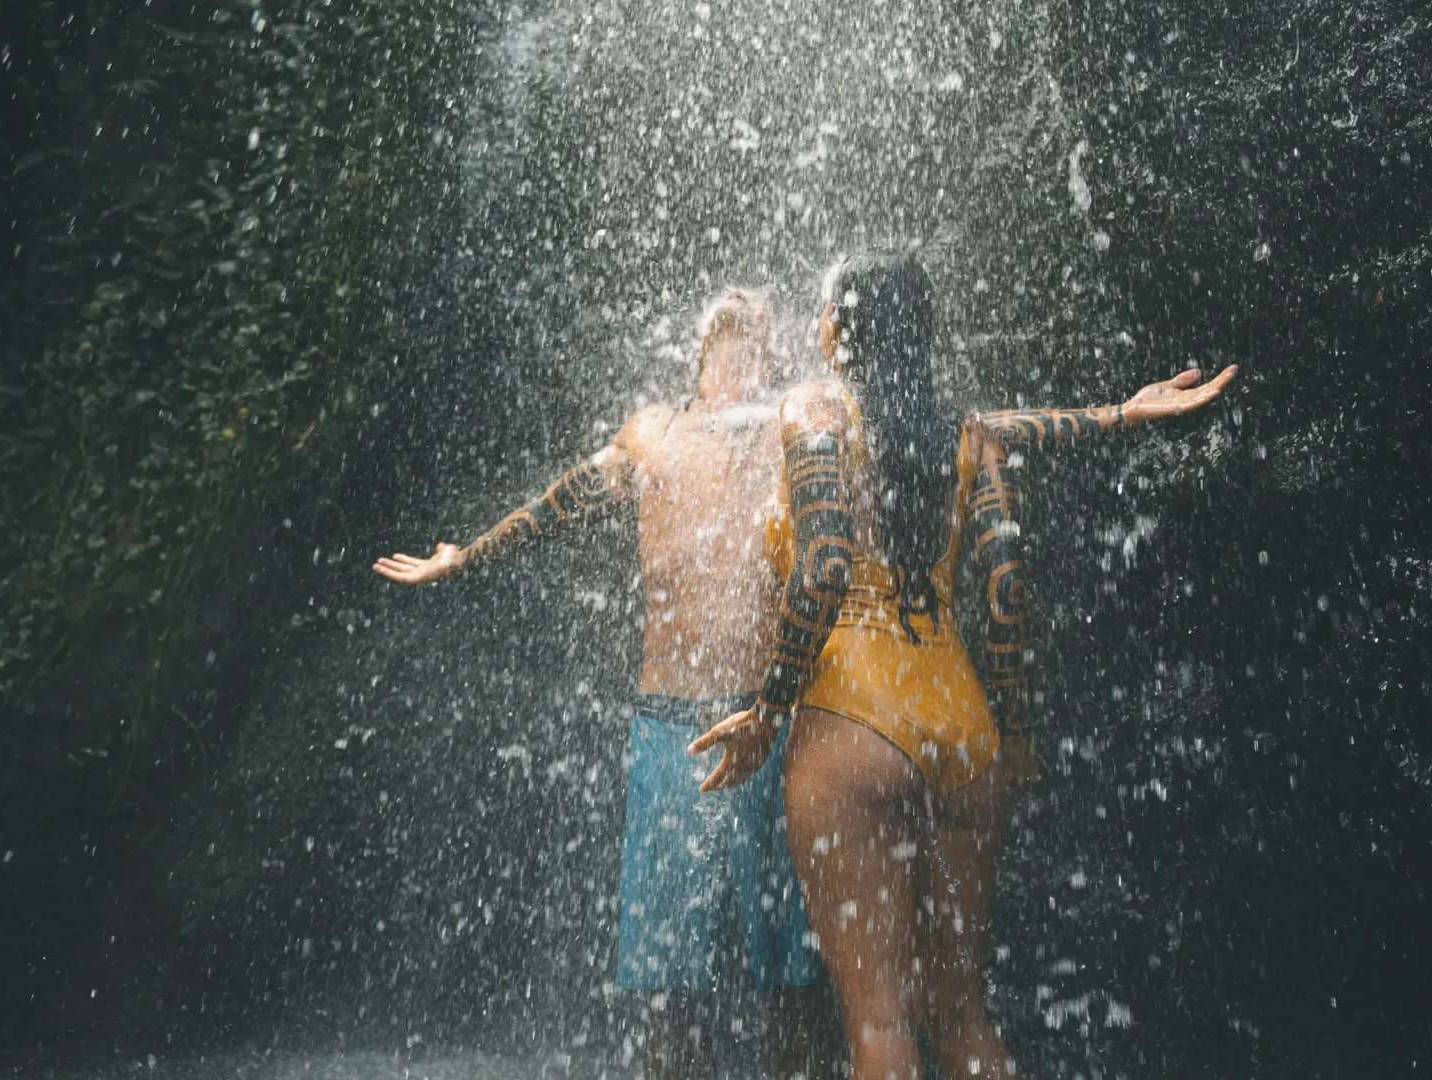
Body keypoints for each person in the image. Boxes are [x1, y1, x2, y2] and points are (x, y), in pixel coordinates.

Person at [374, 283, 1231, 1080]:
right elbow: (558, 503)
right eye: (729, 336)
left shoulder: (794, 428)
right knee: (669, 983)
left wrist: (1116, 413)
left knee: (806, 986)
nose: (745, 353)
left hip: (781, 722)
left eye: (762, 339)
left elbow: (962, 428)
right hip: (673, 728)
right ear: (702, 352)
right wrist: (469, 555)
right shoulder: (650, 436)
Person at [688, 253, 1234, 1079]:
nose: (816, 323)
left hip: (852, 725)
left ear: (843, 327)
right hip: (964, 729)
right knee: (961, 1014)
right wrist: (1013, 735)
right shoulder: (967, 435)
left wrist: (768, 711)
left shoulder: (815, 411)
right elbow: (1009, 590)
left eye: (826, 309)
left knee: (879, 1026)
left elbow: (827, 560)